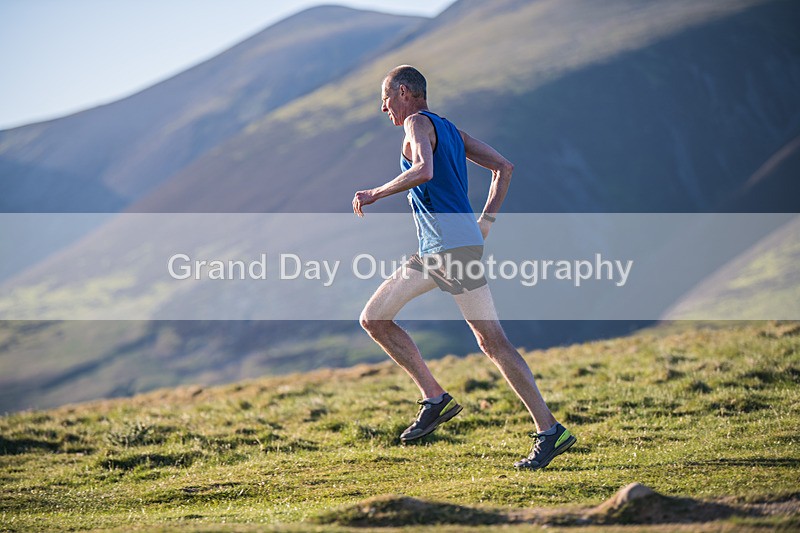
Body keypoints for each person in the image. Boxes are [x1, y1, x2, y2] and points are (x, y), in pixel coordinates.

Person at [352, 65, 575, 469]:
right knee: (493, 342)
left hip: (442, 249)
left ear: (404, 92)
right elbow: (504, 168)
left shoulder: (417, 123)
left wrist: (374, 193)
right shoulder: (450, 129)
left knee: (374, 319)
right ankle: (550, 431)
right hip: (463, 246)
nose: (385, 111)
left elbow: (424, 170)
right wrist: (485, 224)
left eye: (385, 102)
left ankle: (435, 399)